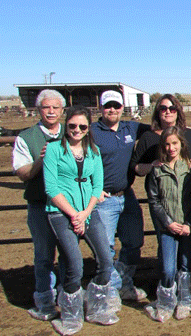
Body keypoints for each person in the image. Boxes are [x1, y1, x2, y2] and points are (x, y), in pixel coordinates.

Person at [43, 106, 118, 335]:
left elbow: (97, 185)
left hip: (88, 211)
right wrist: (73, 214)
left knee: (105, 259)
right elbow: (51, 187)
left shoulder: (93, 151)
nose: (77, 130)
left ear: (88, 128)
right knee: (74, 265)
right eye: (73, 125)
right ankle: (70, 316)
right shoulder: (54, 149)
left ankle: (96, 308)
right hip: (60, 213)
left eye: (82, 126)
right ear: (66, 126)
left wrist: (85, 212)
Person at [91, 90, 150, 302]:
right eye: (108, 106)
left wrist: (186, 130)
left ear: (122, 107)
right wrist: (93, 190)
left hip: (127, 194)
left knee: (134, 241)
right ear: (101, 108)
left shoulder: (130, 127)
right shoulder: (91, 132)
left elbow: (158, 129)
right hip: (103, 198)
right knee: (105, 248)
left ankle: (124, 282)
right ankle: (110, 289)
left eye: (116, 106)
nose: (112, 110)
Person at [12, 89, 66, 321]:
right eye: (46, 107)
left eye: (55, 107)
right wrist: (42, 160)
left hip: (67, 206)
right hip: (40, 204)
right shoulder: (26, 137)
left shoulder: (74, 131)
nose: (51, 111)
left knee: (68, 253)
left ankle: (67, 296)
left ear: (62, 110)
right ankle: (44, 299)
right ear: (38, 110)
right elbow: (23, 173)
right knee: (44, 255)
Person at [144, 126, 191, 322]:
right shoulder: (157, 170)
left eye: (174, 143)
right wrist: (168, 223)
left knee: (186, 263)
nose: (171, 148)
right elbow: (154, 200)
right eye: (166, 144)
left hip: (186, 226)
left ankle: (185, 300)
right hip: (167, 227)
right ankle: (166, 302)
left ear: (181, 144)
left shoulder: (190, 168)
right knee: (168, 267)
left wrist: (189, 224)